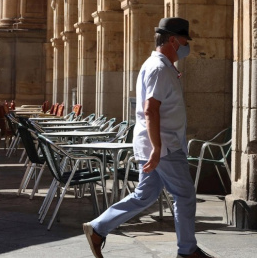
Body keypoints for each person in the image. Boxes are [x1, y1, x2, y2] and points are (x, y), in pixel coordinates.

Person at [83, 17, 213, 258]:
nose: (187, 45)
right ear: (173, 40)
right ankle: (187, 251)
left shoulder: (161, 66)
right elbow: (150, 109)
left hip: (160, 145)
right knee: (184, 196)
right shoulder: (159, 68)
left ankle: (98, 228)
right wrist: (157, 148)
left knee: (145, 195)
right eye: (185, 40)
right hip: (165, 147)